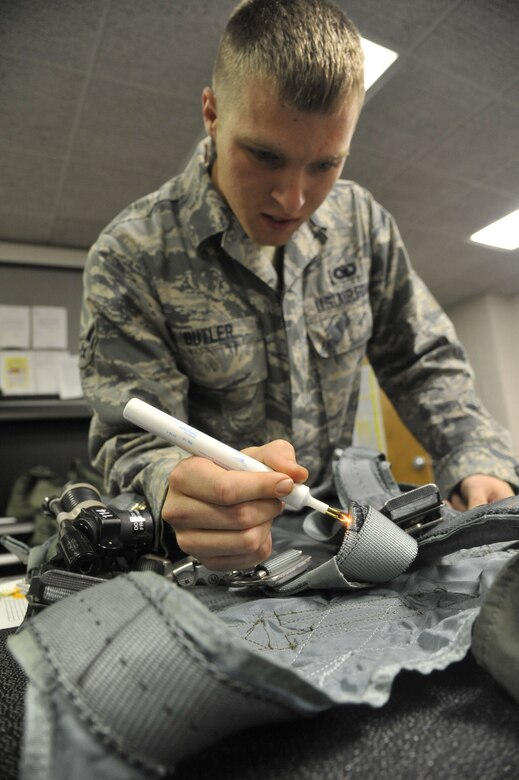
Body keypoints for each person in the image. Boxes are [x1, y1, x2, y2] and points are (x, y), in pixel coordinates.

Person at [79, 0, 518, 573]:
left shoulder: (361, 225)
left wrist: (476, 457)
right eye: (264, 155)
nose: (293, 199)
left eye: (326, 164)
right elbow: (132, 436)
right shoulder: (132, 255)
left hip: (338, 529)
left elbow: (422, 362)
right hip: (211, 554)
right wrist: (176, 485)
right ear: (212, 114)